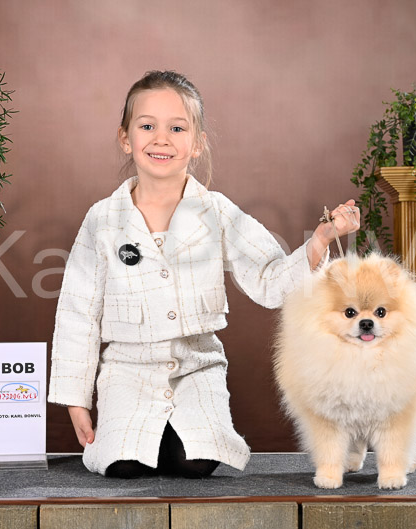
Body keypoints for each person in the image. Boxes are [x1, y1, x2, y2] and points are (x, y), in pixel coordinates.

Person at [47, 70, 360, 478]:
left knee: (195, 463)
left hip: (197, 368)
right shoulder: (102, 219)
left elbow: (270, 280)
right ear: (125, 138)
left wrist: (321, 238)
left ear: (197, 144)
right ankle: (134, 436)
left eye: (177, 128)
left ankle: (181, 432)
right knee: (123, 465)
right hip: (127, 371)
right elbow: (78, 312)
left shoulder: (217, 211)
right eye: (147, 126)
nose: (161, 139)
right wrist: (76, 400)